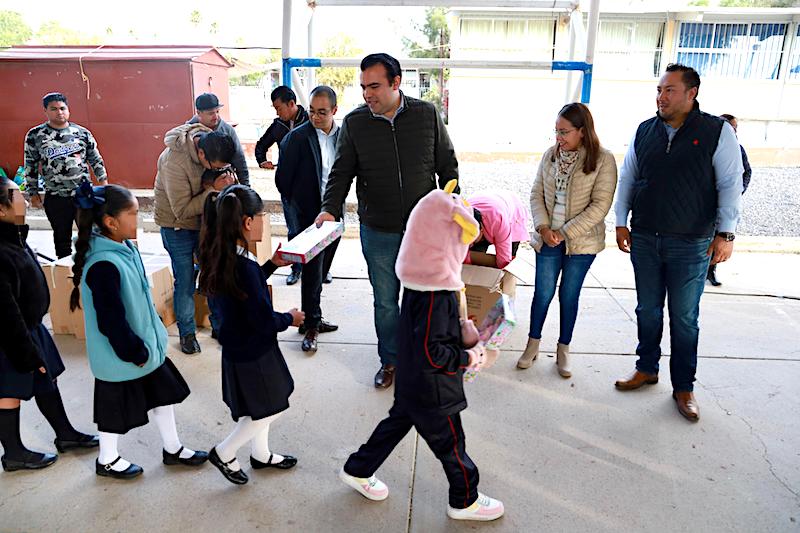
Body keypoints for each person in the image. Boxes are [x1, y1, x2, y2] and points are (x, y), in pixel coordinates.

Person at [339, 184, 504, 522]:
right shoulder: (436, 295)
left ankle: (358, 468)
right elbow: (433, 352)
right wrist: (467, 357)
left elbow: (424, 339)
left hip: (414, 382)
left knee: (395, 425)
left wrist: (463, 334)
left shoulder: (421, 286)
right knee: (452, 445)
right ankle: (465, 499)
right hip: (433, 389)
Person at [315, 53, 459, 389]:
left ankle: (421, 359)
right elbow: (341, 172)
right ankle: (391, 361)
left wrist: (451, 206)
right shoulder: (355, 123)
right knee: (385, 300)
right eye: (364, 87)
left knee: (422, 298)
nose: (368, 94)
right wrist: (329, 208)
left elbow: (447, 165)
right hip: (377, 230)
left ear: (396, 83)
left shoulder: (426, 115)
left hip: (423, 231)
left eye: (375, 86)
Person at [613, 64, 743, 422]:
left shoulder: (716, 131)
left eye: (670, 90)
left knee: (684, 318)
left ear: (691, 93)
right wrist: (620, 222)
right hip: (645, 237)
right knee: (647, 310)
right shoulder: (645, 130)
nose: (661, 96)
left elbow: (730, 183)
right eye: (659, 89)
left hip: (691, 242)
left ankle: (683, 387)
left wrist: (726, 233)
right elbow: (628, 177)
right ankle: (646, 367)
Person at [70, 182, 208, 479]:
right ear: (110, 221)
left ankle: (173, 448)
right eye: (132, 213)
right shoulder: (103, 264)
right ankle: (107, 460)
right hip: (125, 354)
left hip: (145, 346)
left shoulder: (123, 247)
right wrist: (133, 350)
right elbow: (111, 320)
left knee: (163, 396)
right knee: (113, 412)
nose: (138, 219)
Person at [198, 185, 303, 485]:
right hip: (253, 353)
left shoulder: (225, 256)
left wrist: (270, 265)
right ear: (247, 222)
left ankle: (261, 455)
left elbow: (242, 293)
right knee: (270, 408)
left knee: (262, 405)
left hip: (239, 348)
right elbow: (261, 319)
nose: (262, 221)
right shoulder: (242, 266)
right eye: (261, 216)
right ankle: (224, 451)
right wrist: (290, 319)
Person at [0, 177, 98, 472]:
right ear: (1, 208)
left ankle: (65, 434)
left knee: (47, 378)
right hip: (11, 335)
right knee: (9, 392)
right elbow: (5, 311)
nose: (26, 201)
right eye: (18, 197)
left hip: (31, 327)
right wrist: (25, 352)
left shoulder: (13, 236)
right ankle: (13, 453)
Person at [518, 103, 617, 378]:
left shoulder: (603, 160)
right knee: (543, 293)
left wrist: (564, 233)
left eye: (564, 132)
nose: (558, 138)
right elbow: (536, 193)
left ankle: (563, 350)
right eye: (556, 132)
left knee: (569, 295)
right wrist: (544, 227)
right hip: (548, 239)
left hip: (581, 244)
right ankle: (532, 344)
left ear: (582, 132)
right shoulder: (550, 156)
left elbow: (600, 206)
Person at [153, 127, 236, 354]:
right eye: (215, 167)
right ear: (201, 155)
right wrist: (213, 189)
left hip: (204, 223)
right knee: (186, 281)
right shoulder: (174, 163)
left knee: (214, 276)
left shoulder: (213, 143)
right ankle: (187, 334)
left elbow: (220, 175)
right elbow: (182, 210)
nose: (219, 170)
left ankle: (219, 326)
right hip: (176, 225)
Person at [276, 86, 342, 353]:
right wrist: (300, 208)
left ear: (334, 111)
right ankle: (310, 325)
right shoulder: (297, 138)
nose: (315, 117)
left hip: (335, 215)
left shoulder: (345, 136)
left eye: (322, 112)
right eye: (312, 111)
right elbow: (283, 181)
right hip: (310, 218)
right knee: (312, 273)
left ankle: (314, 315)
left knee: (323, 271)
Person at [23, 92, 108, 258]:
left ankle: (91, 269)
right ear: (45, 112)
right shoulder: (35, 135)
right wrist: (33, 193)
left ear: (68, 110)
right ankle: (66, 275)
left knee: (90, 236)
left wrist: (104, 183)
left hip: (83, 194)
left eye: (62, 108)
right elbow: (30, 165)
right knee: (62, 239)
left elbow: (95, 159)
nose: (59, 112)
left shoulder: (82, 133)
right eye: (53, 109)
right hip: (56, 197)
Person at [255, 86, 309, 286]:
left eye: (279, 108)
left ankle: (320, 270)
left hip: (311, 189)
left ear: (292, 104)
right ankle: (296, 269)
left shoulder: (310, 120)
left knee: (316, 230)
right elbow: (261, 145)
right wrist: (262, 160)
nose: (277, 112)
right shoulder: (278, 125)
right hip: (288, 189)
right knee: (294, 231)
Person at [707, 113, 752, 287]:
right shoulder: (711, 145)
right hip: (708, 204)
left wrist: (738, 192)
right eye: (731, 127)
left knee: (720, 236)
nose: (734, 131)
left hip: (725, 205)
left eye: (735, 128)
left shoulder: (738, 149)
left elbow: (746, 172)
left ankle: (711, 271)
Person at [187, 92, 250, 186]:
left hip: (226, 180)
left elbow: (239, 158)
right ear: (199, 113)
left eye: (217, 111)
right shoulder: (187, 133)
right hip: (198, 185)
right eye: (211, 113)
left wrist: (246, 185)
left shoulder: (227, 130)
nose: (215, 116)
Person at [465, 191, 530, 269]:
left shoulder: (499, 221)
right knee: (474, 259)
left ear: (481, 229)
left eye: (472, 239)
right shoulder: (457, 219)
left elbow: (504, 260)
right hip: (484, 202)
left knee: (509, 260)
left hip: (512, 210)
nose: (470, 244)